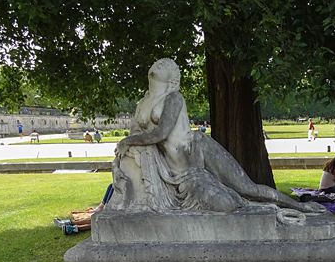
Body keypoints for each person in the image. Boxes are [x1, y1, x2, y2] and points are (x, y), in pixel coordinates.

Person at [111, 58, 320, 214]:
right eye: (159, 63)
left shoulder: (174, 97)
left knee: (247, 187)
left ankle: (299, 206)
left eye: (165, 65)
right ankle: (263, 209)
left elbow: (161, 133)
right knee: (227, 204)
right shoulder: (142, 103)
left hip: (198, 149)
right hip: (180, 173)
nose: (160, 64)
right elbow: (138, 134)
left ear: (172, 78)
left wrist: (128, 140)